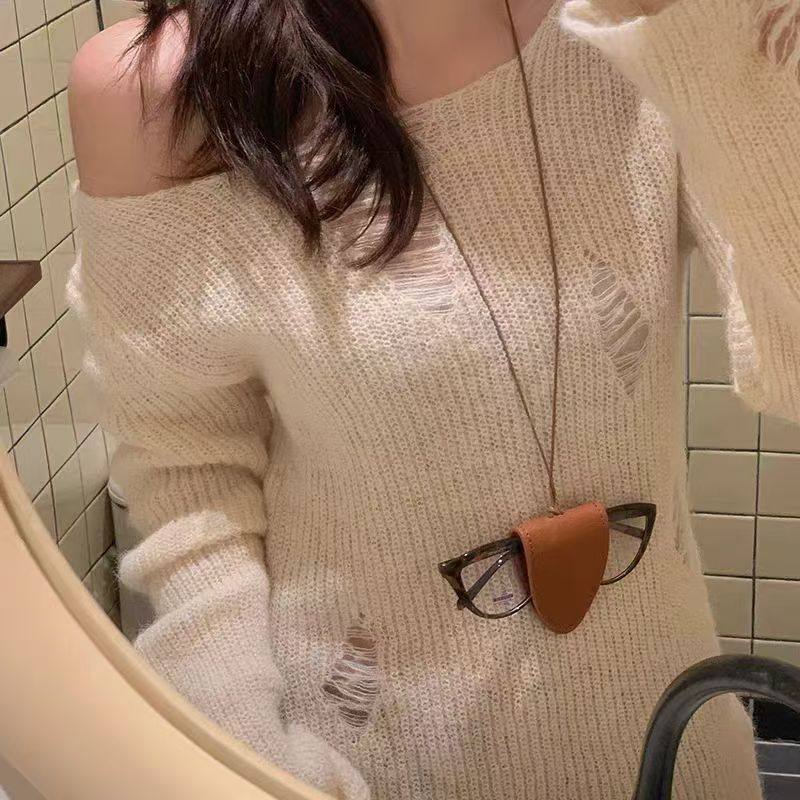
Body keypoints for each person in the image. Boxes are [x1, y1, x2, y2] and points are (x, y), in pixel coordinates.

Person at [66, 0, 800, 797]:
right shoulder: (166, 94)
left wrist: (703, 27)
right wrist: (252, 764)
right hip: (359, 770)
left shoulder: (634, 26)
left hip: (677, 751)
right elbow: (183, 470)